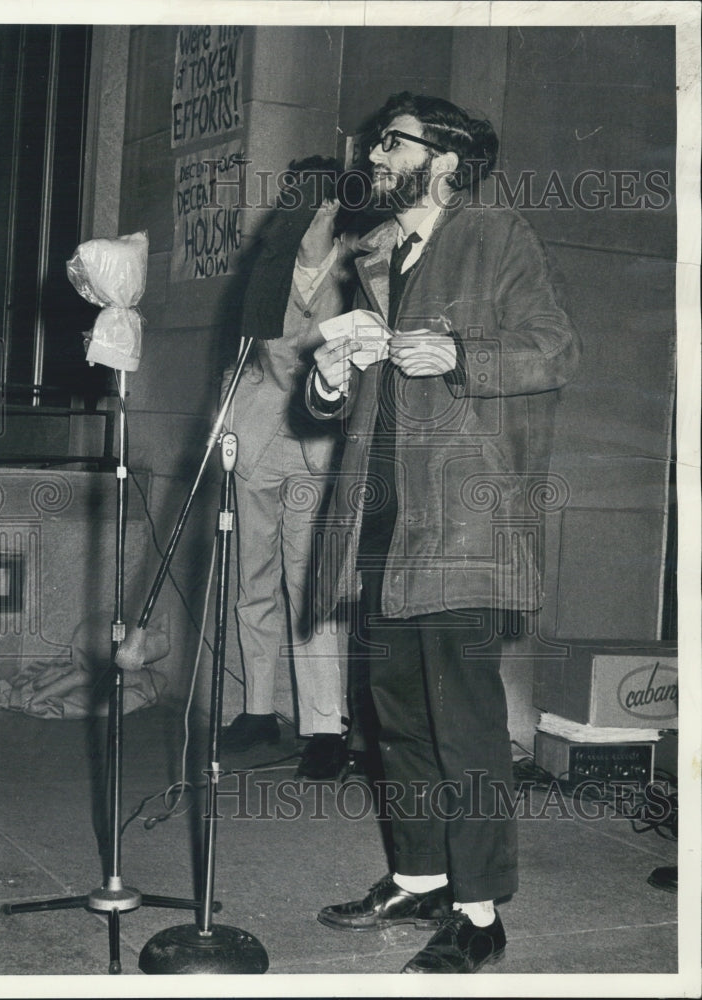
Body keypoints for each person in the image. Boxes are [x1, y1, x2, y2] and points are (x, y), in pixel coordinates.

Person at [306, 93, 581, 972]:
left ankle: (479, 913)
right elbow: (350, 402)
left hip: (464, 522)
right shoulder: (379, 252)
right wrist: (331, 375)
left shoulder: (497, 235)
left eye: (392, 141)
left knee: (462, 724)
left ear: (449, 159)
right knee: (395, 719)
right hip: (385, 523)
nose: (373, 154)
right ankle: (418, 877)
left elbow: (556, 349)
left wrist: (462, 357)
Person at [220, 157, 357, 780]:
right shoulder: (268, 268)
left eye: (315, 202)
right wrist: (227, 426)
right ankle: (254, 709)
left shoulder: (359, 270)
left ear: (333, 209)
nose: (303, 214)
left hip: (319, 444)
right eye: (296, 198)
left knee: (309, 585)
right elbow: (242, 354)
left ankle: (325, 724)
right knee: (253, 578)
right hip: (258, 436)